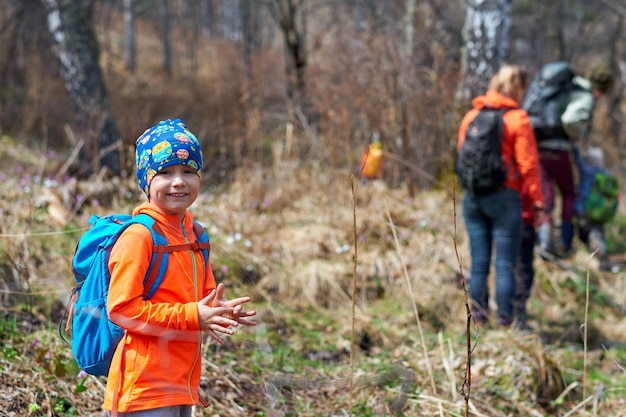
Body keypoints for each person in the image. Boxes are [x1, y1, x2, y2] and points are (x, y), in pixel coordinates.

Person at [102, 118, 257, 416]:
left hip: (182, 382)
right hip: (143, 387)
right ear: (146, 182)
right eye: (164, 172)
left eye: (189, 171)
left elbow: (202, 298)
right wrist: (193, 315)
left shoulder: (196, 234)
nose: (178, 181)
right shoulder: (139, 236)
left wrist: (219, 310)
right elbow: (121, 309)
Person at [458, 65, 544, 327]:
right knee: (505, 262)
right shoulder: (518, 118)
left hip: (473, 197)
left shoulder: (472, 115)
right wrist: (538, 202)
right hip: (505, 197)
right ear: (517, 88)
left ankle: (479, 316)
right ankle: (506, 317)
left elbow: (462, 155)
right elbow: (528, 166)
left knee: (479, 260)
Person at [532, 64, 613, 258]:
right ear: (600, 89)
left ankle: (545, 242)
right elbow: (570, 120)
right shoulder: (584, 95)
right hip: (558, 148)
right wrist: (576, 135)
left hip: (539, 143)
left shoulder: (567, 85)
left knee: (547, 193)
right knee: (568, 193)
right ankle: (565, 243)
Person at [572, 144, 614, 271]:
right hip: (600, 212)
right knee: (597, 233)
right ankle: (601, 261)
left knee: (588, 234)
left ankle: (596, 260)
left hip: (584, 210)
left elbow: (578, 161)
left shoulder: (588, 171)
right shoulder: (606, 175)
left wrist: (575, 146)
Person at [514, 180, 545, 330]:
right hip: (523, 218)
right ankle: (517, 314)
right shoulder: (525, 161)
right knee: (524, 267)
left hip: (500, 219)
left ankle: (484, 314)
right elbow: (531, 178)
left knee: (503, 264)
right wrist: (539, 204)